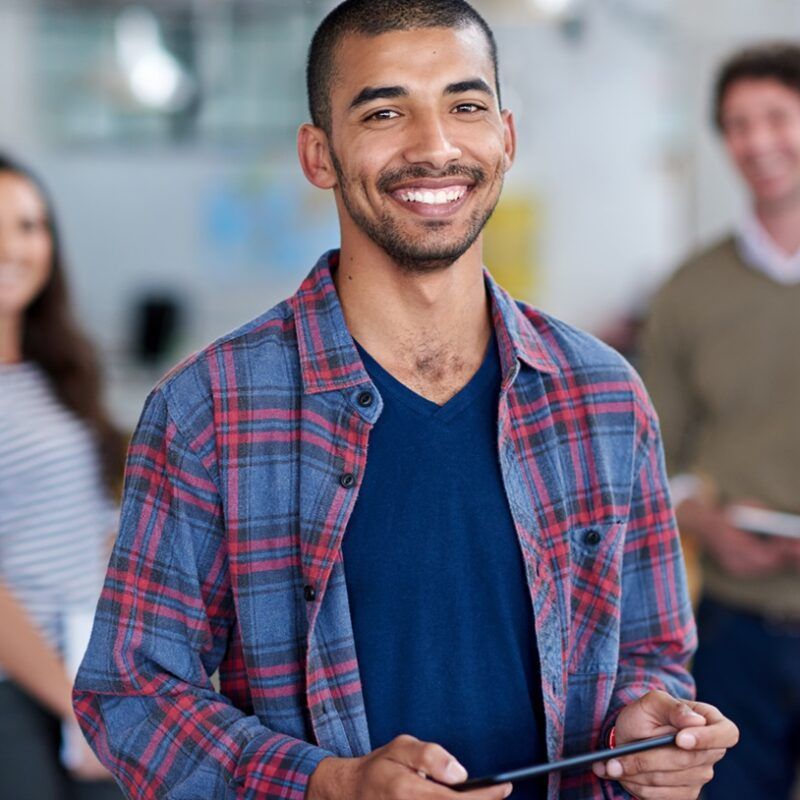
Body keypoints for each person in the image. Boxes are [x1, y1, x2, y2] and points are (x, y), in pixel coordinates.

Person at [74, 3, 738, 799]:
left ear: (507, 138)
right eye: (386, 112)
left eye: (466, 107)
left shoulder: (602, 396)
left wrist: (649, 721)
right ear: (319, 154)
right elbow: (132, 691)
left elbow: (648, 648)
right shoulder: (210, 409)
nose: (435, 146)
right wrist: (328, 783)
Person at [641, 42, 800, 800]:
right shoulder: (690, 292)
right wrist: (703, 520)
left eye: (776, 116)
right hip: (736, 628)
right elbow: (654, 456)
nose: (758, 142)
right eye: (737, 125)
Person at [0, 153, 126, 798]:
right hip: (20, 690)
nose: (13, 248)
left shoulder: (58, 369)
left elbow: (93, 530)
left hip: (85, 674)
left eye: (28, 225)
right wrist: (74, 701)